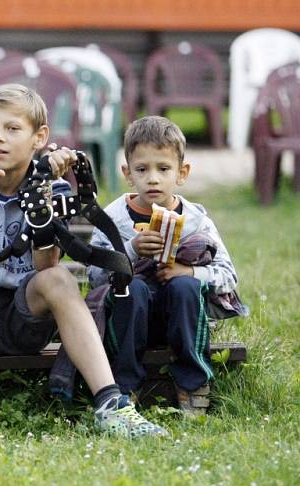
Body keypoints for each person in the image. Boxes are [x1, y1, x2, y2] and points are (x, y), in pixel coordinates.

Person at [0, 84, 168, 447]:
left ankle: (111, 404)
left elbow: (46, 263)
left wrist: (42, 202)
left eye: (12, 129)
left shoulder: (55, 187)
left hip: (25, 318)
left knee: (58, 278)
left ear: (39, 137)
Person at [87, 115, 245, 416]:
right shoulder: (114, 218)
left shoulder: (197, 221)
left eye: (163, 169)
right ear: (127, 173)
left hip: (182, 318)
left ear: (181, 173)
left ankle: (193, 382)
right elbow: (95, 276)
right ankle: (125, 388)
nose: (153, 179)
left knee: (186, 285)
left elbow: (229, 276)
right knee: (130, 288)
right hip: (129, 319)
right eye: (142, 170)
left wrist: (190, 271)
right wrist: (130, 252)